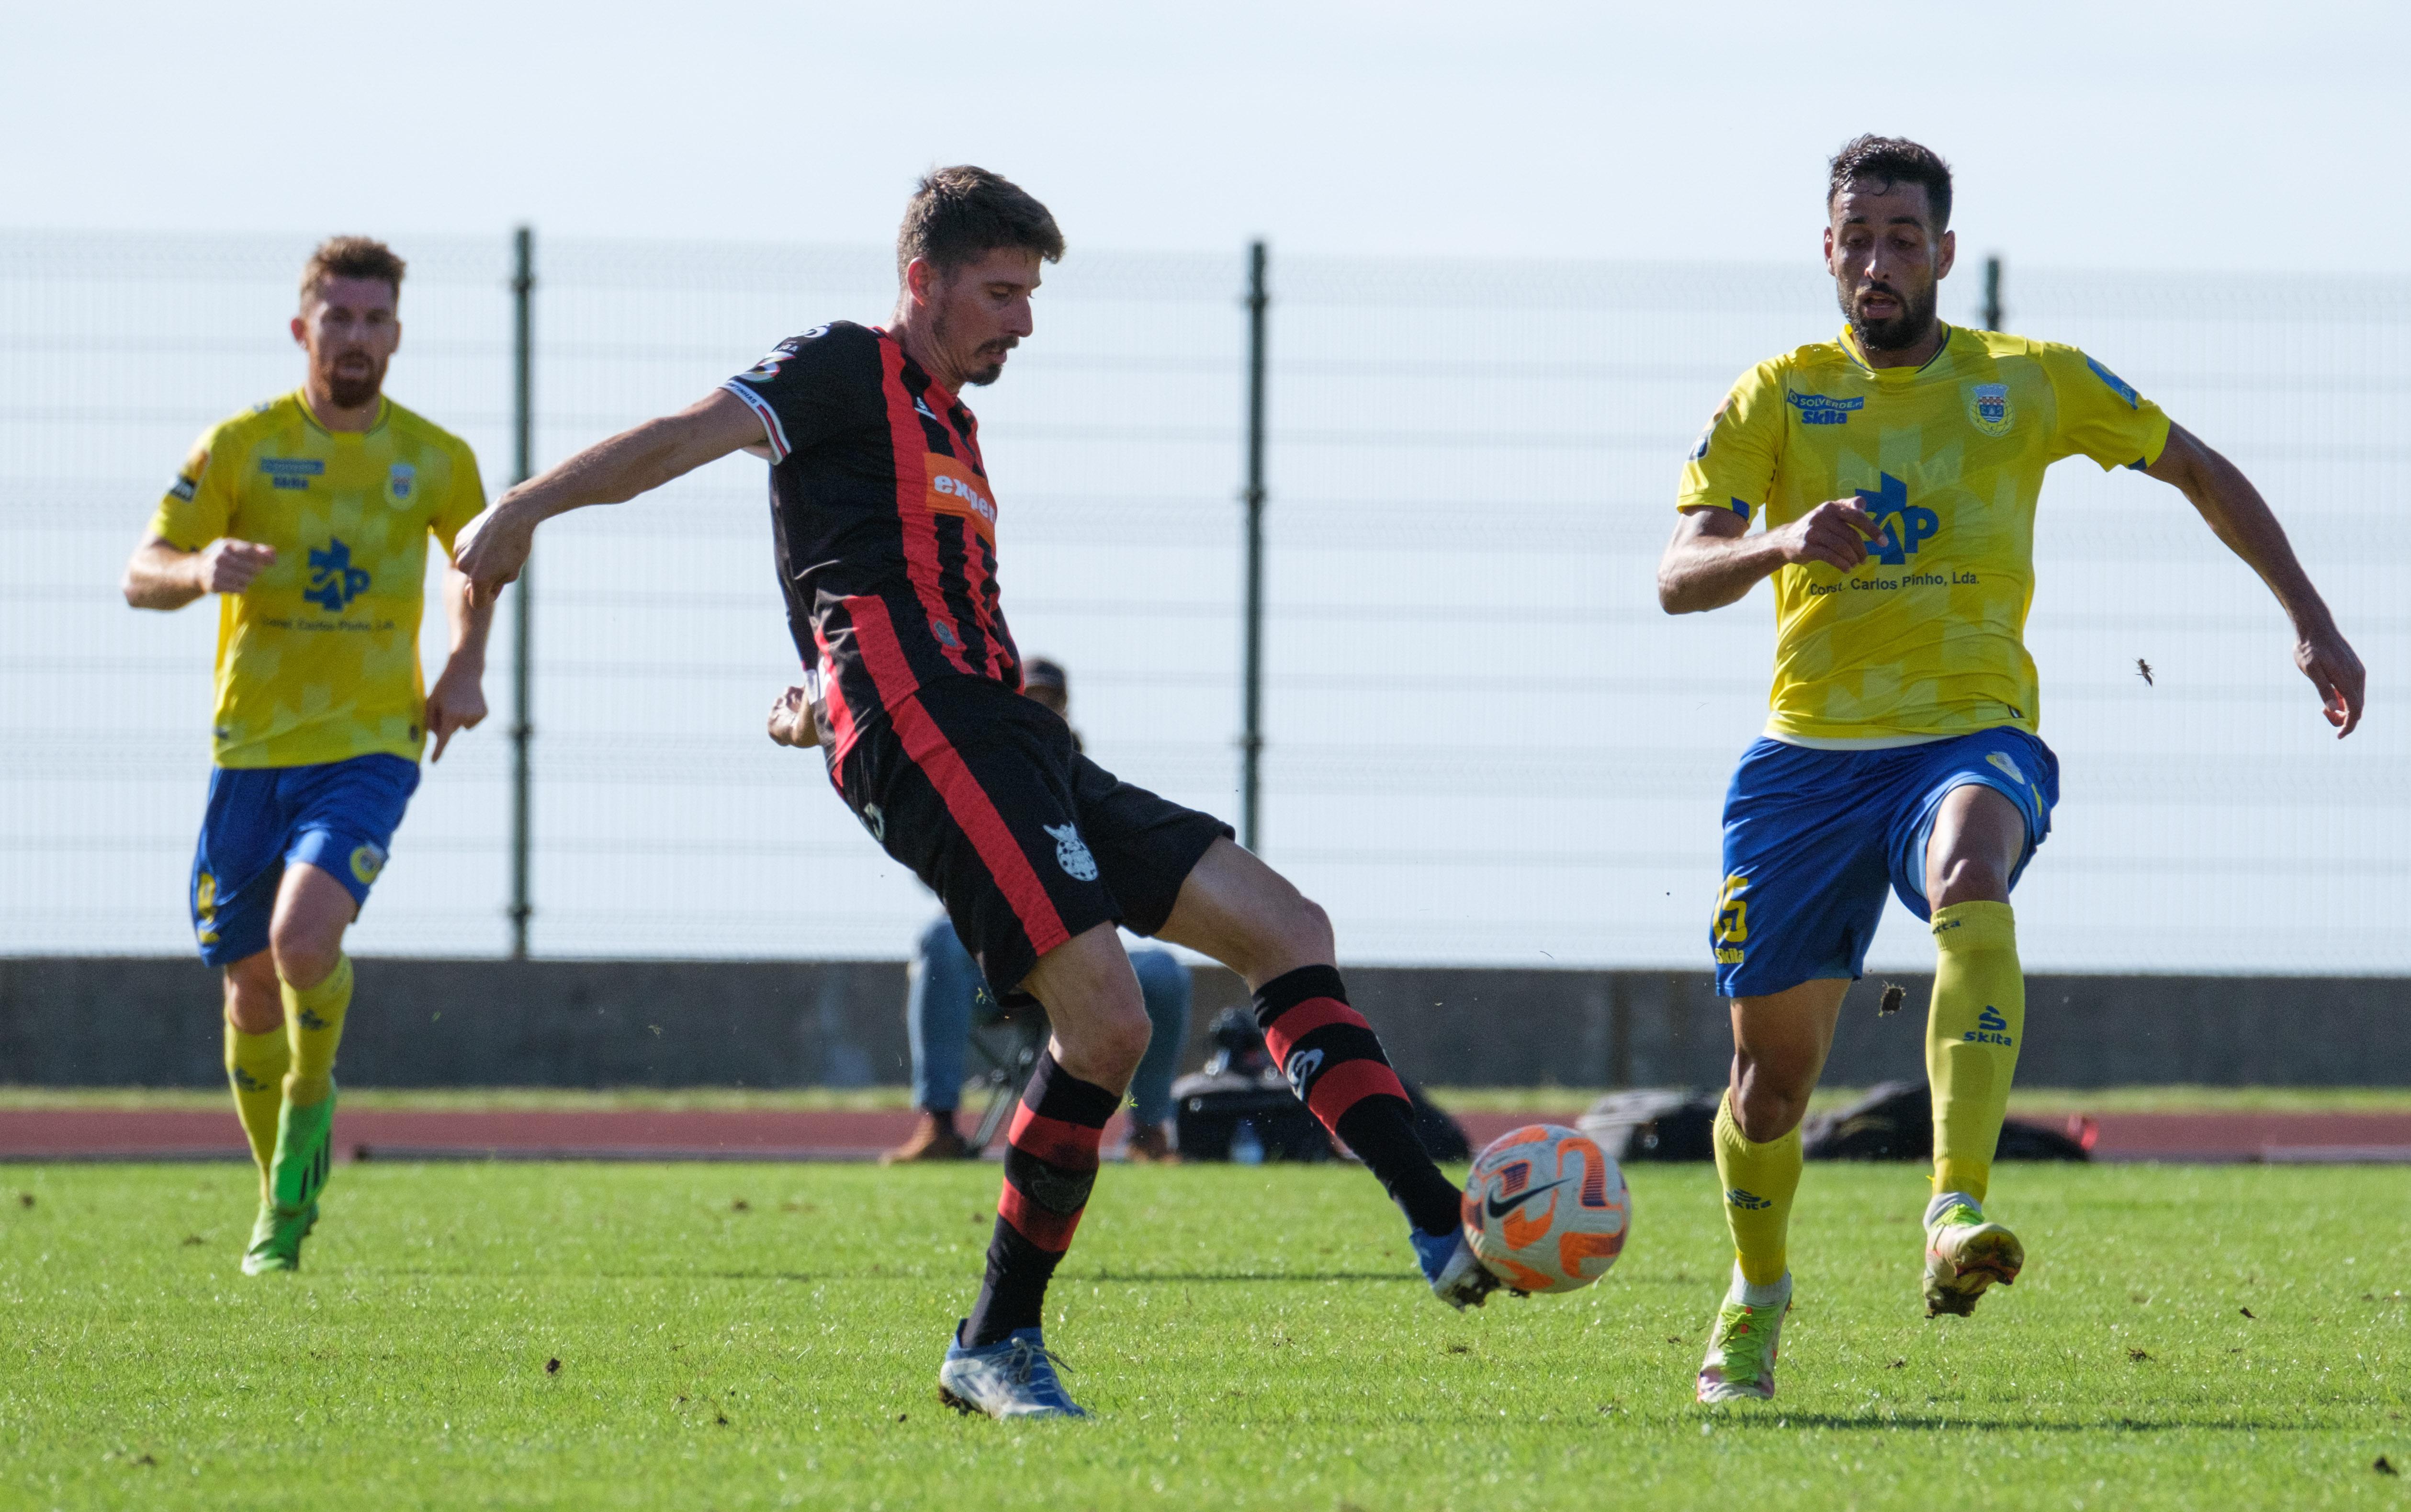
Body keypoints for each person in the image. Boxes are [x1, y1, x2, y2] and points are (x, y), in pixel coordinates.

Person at [458, 166, 1495, 1420]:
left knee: (1286, 928)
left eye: (1029, 295)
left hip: (1011, 732)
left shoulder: (953, 430)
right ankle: (995, 1339)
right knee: (1106, 1021)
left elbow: (856, 583)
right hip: (929, 730)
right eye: (1001, 292)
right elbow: (686, 437)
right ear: (922, 283)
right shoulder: (840, 364)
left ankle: (1441, 1223)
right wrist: (526, 507)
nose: (1022, 321)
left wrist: (810, 693)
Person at [1658, 136, 2365, 1403]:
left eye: (1898, 237)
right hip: (1804, 762)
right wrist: (1778, 544)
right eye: (1854, 237)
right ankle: (1756, 1290)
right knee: (1768, 1088)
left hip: (1968, 732)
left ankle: (1951, 1208)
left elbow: (2196, 466)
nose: (1875, 261)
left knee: (1971, 874)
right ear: (1826, 252)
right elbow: (1674, 576)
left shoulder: (2027, 383)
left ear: (1942, 251)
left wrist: (2307, 615)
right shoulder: (1773, 393)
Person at [121, 237, 492, 1275]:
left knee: (301, 939)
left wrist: (463, 668)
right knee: (245, 988)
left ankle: (310, 1103)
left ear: (398, 335)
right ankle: (278, 1201)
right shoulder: (241, 446)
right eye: (340, 319)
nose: (358, 338)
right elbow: (138, 569)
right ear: (304, 329)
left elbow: (483, 563)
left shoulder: (436, 457)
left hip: (371, 745)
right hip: (249, 753)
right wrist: (197, 569)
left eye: (376, 321)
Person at [880, 657, 1194, 1164]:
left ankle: (1148, 1129)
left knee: (1163, 973)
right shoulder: (970, 766)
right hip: (999, 968)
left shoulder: (1084, 780)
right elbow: (932, 868)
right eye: (1031, 699)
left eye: (1052, 703)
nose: (1041, 711)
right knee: (939, 941)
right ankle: (938, 1124)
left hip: (1083, 963)